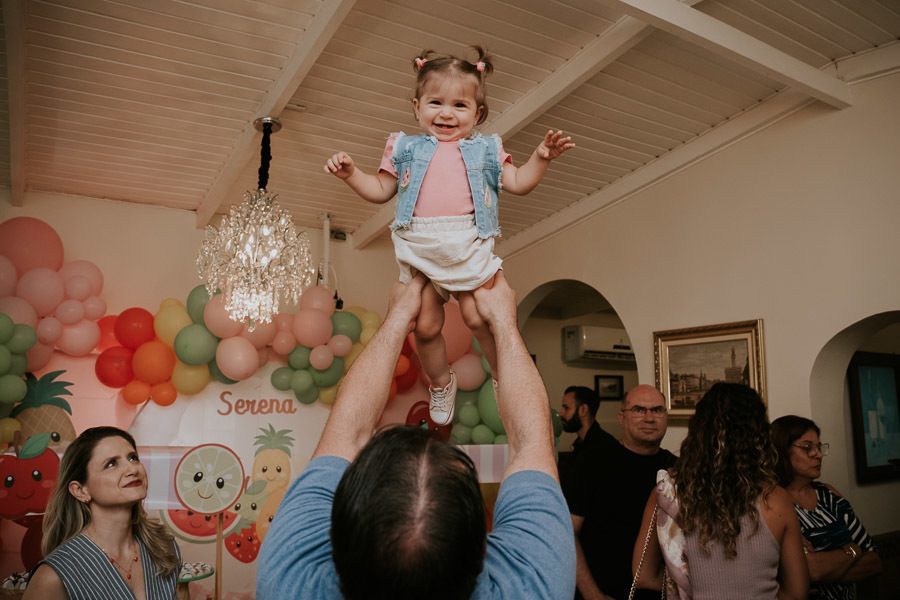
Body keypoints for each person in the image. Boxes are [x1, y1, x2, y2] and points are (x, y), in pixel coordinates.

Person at [257, 272, 575, 600]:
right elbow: (531, 442)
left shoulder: (289, 582)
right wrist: (505, 324)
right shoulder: (535, 587)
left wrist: (397, 318)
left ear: (336, 537)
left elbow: (346, 435)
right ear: (484, 547)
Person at [324, 46, 575, 426]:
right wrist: (351, 175)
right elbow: (380, 190)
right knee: (425, 326)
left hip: (467, 244)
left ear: (478, 113)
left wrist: (541, 157)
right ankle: (442, 382)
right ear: (417, 107)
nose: (446, 113)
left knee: (477, 317)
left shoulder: (486, 149)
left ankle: (501, 375)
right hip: (422, 248)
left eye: (459, 105)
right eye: (435, 102)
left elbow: (519, 182)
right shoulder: (404, 147)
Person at [632, 383, 809, 600]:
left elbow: (644, 576)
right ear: (759, 435)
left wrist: (689, 584)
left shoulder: (667, 493)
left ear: (698, 431)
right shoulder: (776, 499)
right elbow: (797, 592)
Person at [24, 426, 181, 600]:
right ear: (80, 491)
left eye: (133, 458)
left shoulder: (164, 548)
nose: (132, 469)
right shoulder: (52, 577)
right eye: (111, 464)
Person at [565, 384, 675, 600]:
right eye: (639, 410)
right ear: (621, 418)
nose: (649, 418)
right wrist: (592, 594)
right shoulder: (592, 462)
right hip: (602, 594)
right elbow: (566, 533)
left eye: (657, 410)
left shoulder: (677, 468)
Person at [771, 415, 883, 599]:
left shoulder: (829, 495)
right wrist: (853, 550)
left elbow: (874, 561)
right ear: (782, 450)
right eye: (807, 447)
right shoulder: (774, 503)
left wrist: (825, 571)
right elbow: (813, 570)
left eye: (818, 447)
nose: (818, 454)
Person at [556, 385, 616, 505]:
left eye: (566, 408)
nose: (561, 413)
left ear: (583, 410)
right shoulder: (580, 445)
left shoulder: (604, 448)